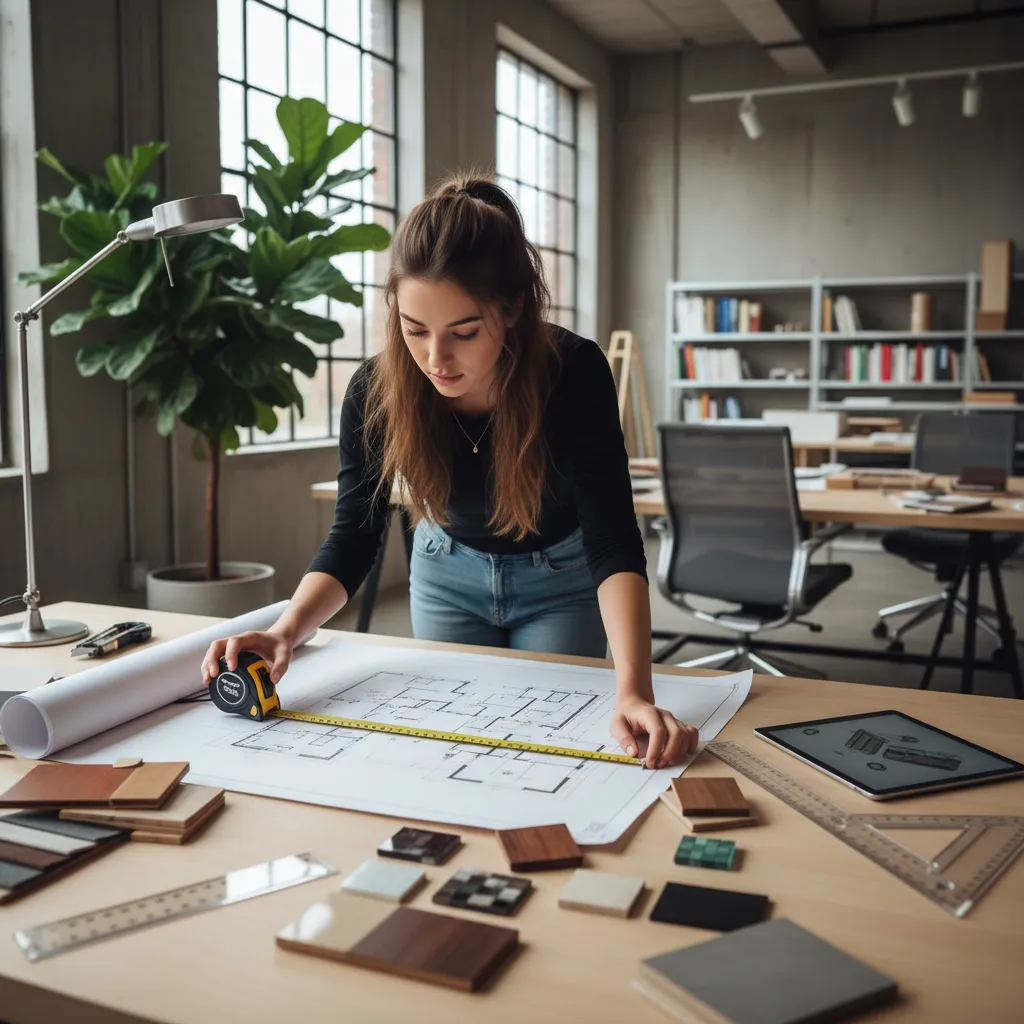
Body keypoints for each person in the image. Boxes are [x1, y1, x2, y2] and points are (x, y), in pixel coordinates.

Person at [202, 174, 697, 769]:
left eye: (463, 332)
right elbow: (353, 535)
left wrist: (634, 691)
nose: (436, 359)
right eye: (415, 331)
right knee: (457, 756)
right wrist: (286, 632)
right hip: (445, 577)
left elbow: (614, 540)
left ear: (513, 307)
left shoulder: (572, 371)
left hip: (560, 583)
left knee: (559, 751)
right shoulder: (375, 389)